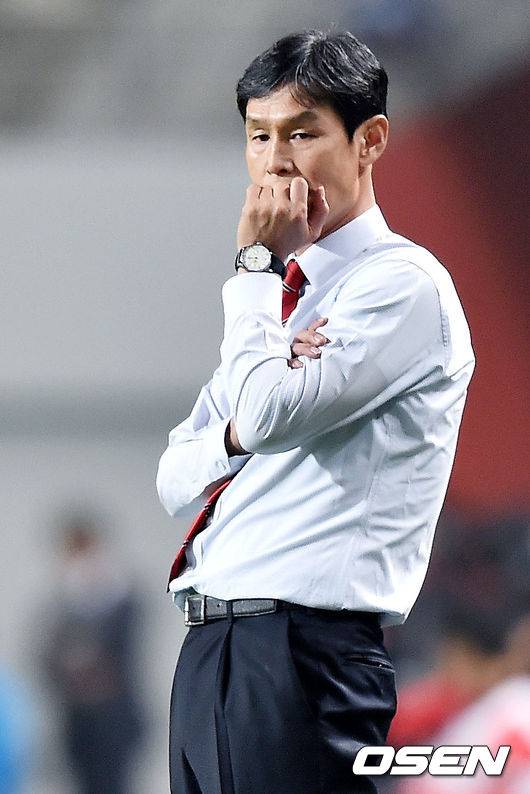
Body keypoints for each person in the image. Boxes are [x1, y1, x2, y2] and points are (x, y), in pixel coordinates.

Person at [156, 29, 475, 794]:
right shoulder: (284, 301)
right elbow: (174, 476)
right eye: (258, 135)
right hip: (212, 650)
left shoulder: (401, 284)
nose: (275, 161)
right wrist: (242, 423)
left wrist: (255, 268)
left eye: (302, 134)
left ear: (371, 141)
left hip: (303, 653)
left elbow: (267, 418)